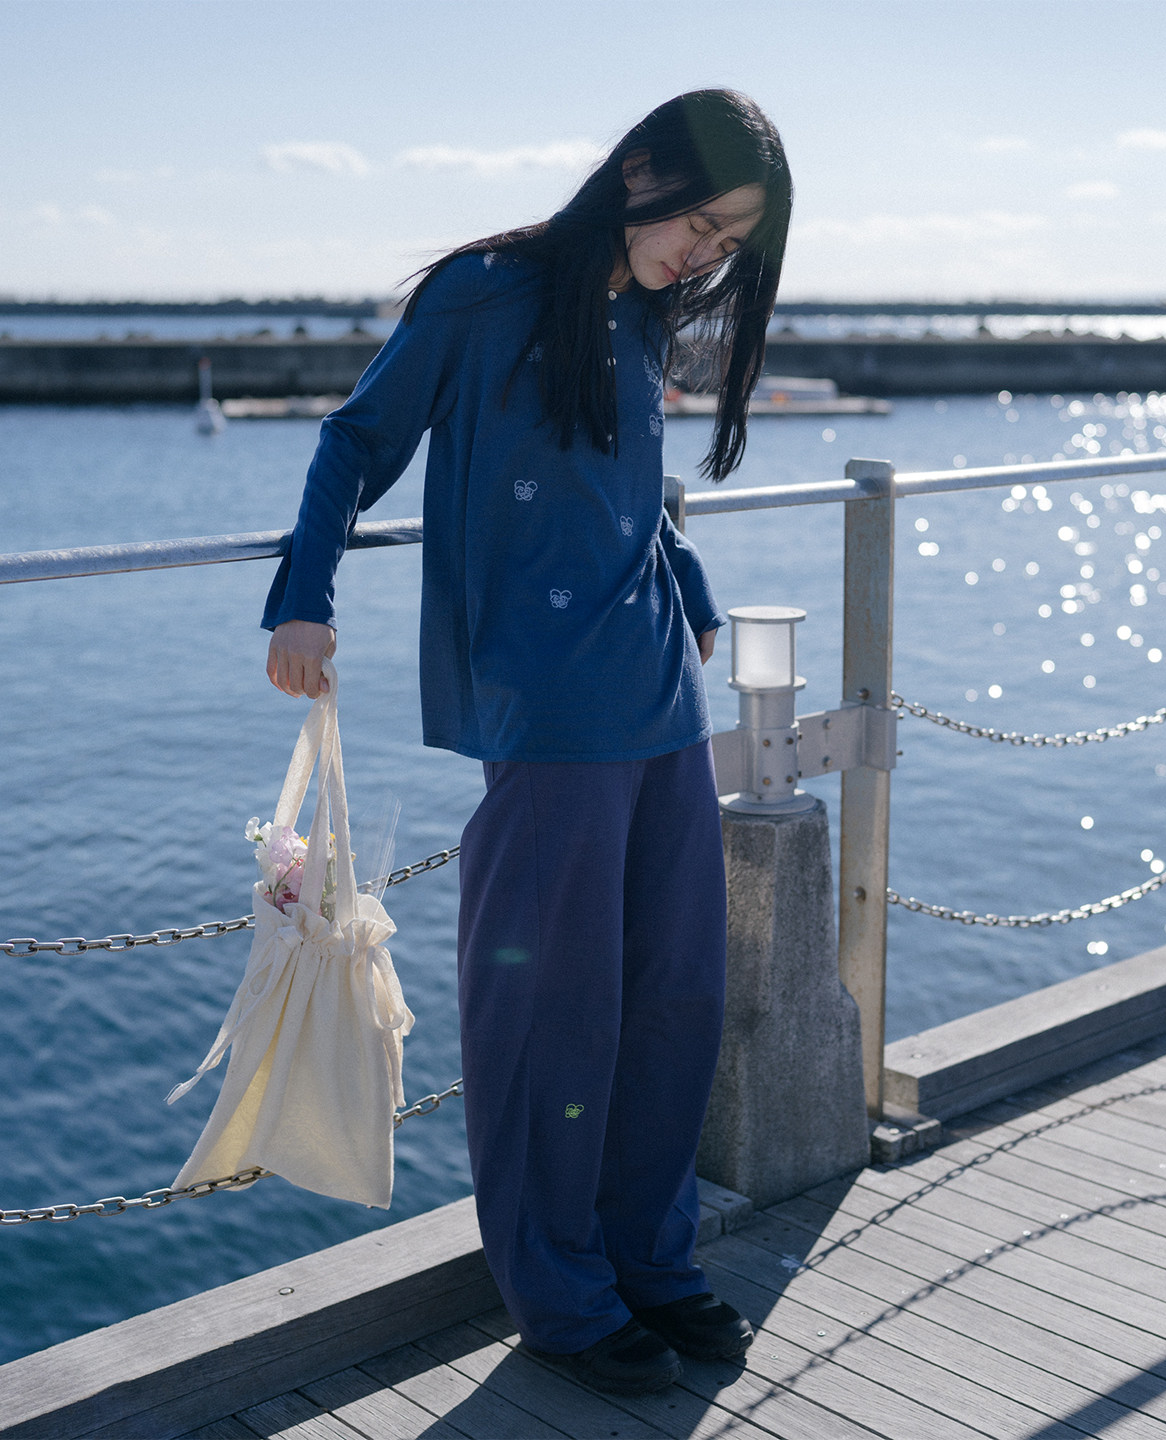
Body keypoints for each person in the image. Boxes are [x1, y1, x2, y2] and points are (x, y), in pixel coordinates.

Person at [262, 90, 793, 1396]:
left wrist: (700, 595)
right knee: (553, 1012)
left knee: (672, 1000)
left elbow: (631, 486)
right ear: (645, 169)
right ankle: (560, 1294)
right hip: (549, 707)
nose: (706, 254)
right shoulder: (481, 293)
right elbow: (358, 439)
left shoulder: (642, 315)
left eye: (731, 243)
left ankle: (650, 1261)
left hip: (661, 689)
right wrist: (302, 595)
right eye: (704, 223)